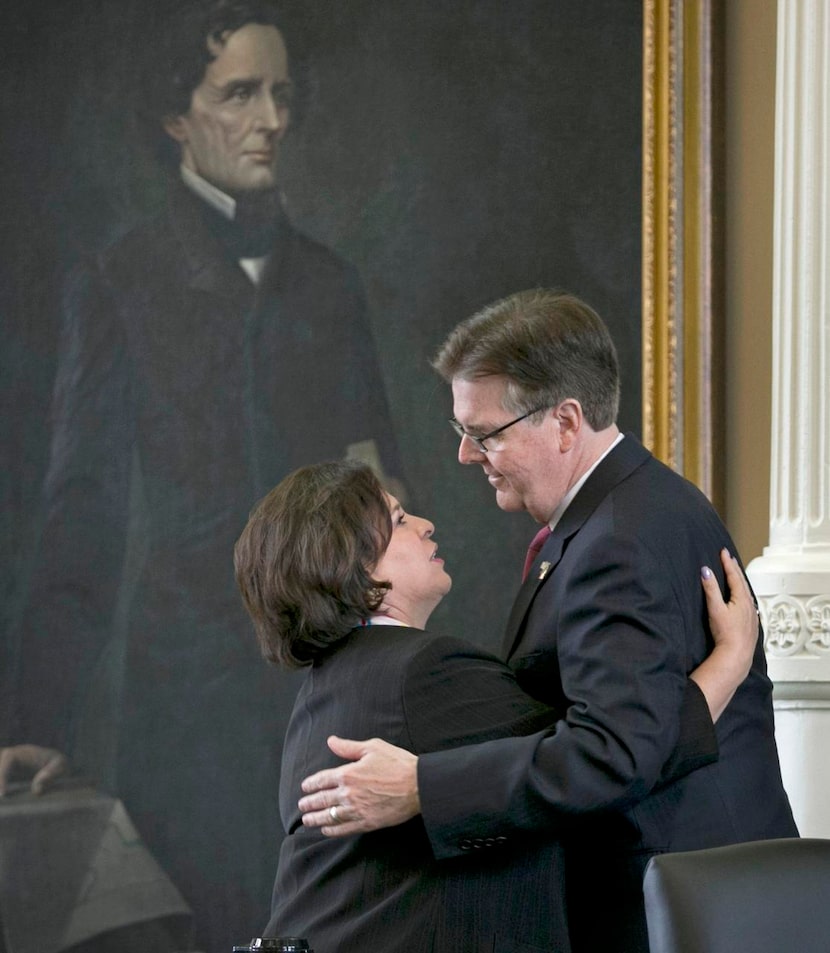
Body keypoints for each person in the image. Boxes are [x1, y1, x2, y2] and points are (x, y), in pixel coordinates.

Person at [0, 3, 400, 951]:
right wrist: (41, 719)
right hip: (190, 702)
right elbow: (82, 514)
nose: (271, 118)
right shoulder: (121, 280)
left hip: (330, 689)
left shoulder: (329, 285)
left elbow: (383, 489)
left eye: (281, 94)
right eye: (238, 93)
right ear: (177, 117)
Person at [297, 289, 798, 953]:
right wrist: (721, 671)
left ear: (565, 423)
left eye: (484, 435)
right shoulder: (619, 514)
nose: (466, 457)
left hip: (673, 916)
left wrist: (421, 786)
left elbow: (613, 751)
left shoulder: (619, 538)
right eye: (461, 433)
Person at [233, 459, 757, 953]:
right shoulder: (421, 672)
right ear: (353, 566)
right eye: (398, 520)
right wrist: (729, 663)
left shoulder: (340, 681)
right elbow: (613, 758)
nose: (425, 524)